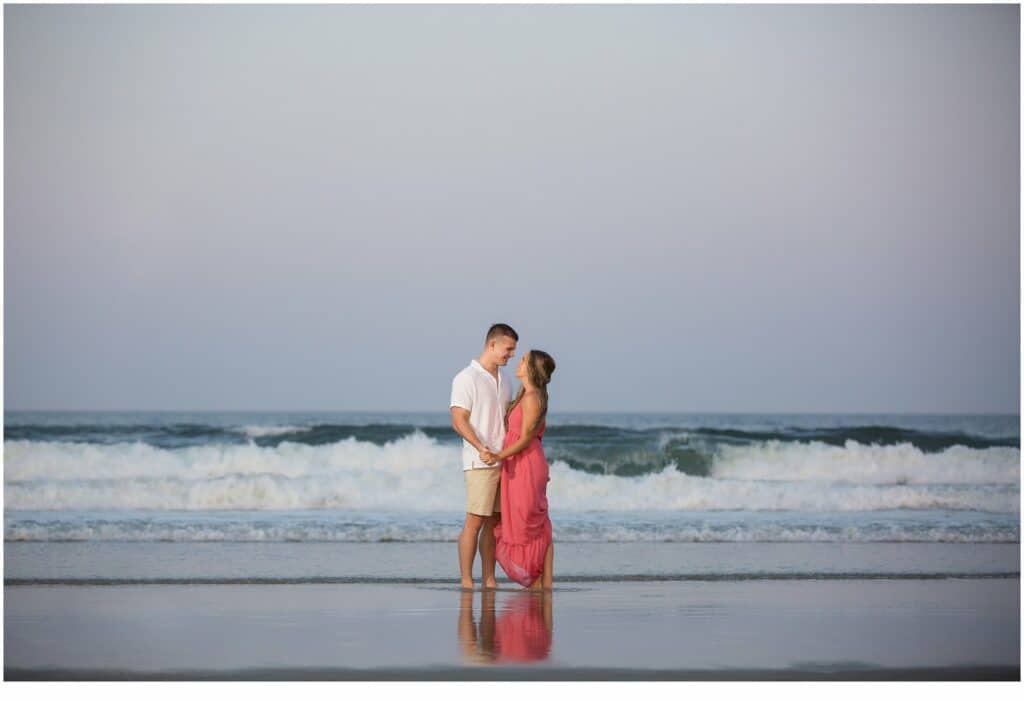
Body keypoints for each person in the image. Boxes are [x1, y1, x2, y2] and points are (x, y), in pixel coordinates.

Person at [450, 323, 518, 590]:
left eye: (513, 350)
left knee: (493, 523)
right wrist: (480, 446)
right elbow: (458, 419)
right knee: (475, 520)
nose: (510, 355)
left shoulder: (506, 381)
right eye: (508, 349)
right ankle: (467, 579)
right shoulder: (466, 378)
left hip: (503, 460)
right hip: (479, 461)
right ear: (493, 344)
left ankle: (489, 579)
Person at [492, 350, 556, 590]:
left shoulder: (531, 398)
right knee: (532, 523)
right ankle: (542, 583)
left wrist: (499, 455)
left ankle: (541, 582)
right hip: (519, 464)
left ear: (531, 368)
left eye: (523, 359)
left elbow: (527, 437)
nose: (518, 361)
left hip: (526, 465)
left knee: (528, 523)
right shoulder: (526, 395)